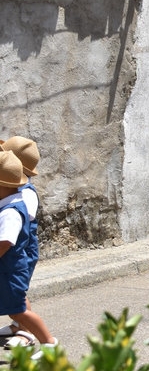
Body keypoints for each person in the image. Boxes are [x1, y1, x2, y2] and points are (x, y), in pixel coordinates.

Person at [0, 150, 56, 355]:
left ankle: (49, 342)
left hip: (10, 269)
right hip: (7, 267)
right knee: (14, 306)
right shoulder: (8, 204)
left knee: (18, 309)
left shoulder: (11, 212)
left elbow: (5, 242)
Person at [0, 137, 42, 343]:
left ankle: (26, 332)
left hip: (23, 248)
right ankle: (18, 325)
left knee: (18, 293)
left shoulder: (25, 195)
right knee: (11, 293)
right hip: (16, 248)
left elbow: (16, 229)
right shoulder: (14, 193)